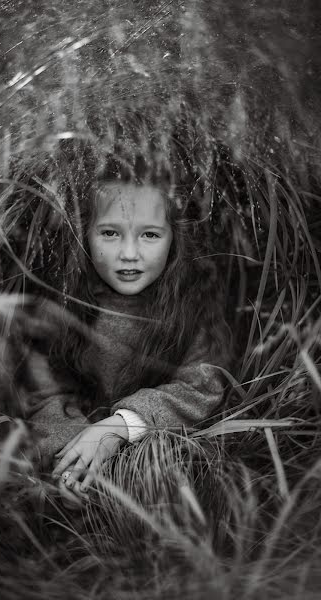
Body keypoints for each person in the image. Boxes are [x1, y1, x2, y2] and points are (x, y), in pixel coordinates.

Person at [27, 147, 231, 509]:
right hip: (75, 447)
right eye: (110, 233)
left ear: (175, 239)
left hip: (156, 455)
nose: (129, 253)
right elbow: (44, 390)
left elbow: (202, 384)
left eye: (150, 235)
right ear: (84, 236)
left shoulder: (190, 307)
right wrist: (72, 457)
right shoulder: (63, 304)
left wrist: (116, 428)